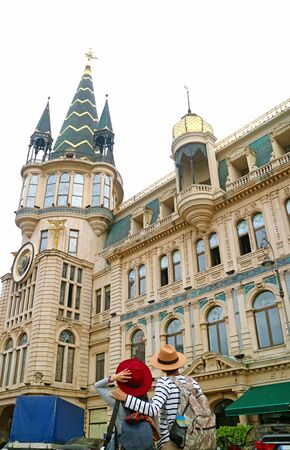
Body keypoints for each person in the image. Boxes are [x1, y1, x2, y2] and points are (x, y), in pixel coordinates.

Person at [113, 344, 202, 450]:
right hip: (194, 438)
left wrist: (126, 398)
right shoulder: (192, 382)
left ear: (162, 367)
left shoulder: (164, 382)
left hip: (172, 441)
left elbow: (153, 410)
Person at [95, 358, 155, 450]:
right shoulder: (148, 404)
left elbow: (97, 386)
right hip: (145, 445)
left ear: (124, 381)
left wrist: (114, 377)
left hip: (122, 445)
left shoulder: (115, 399)